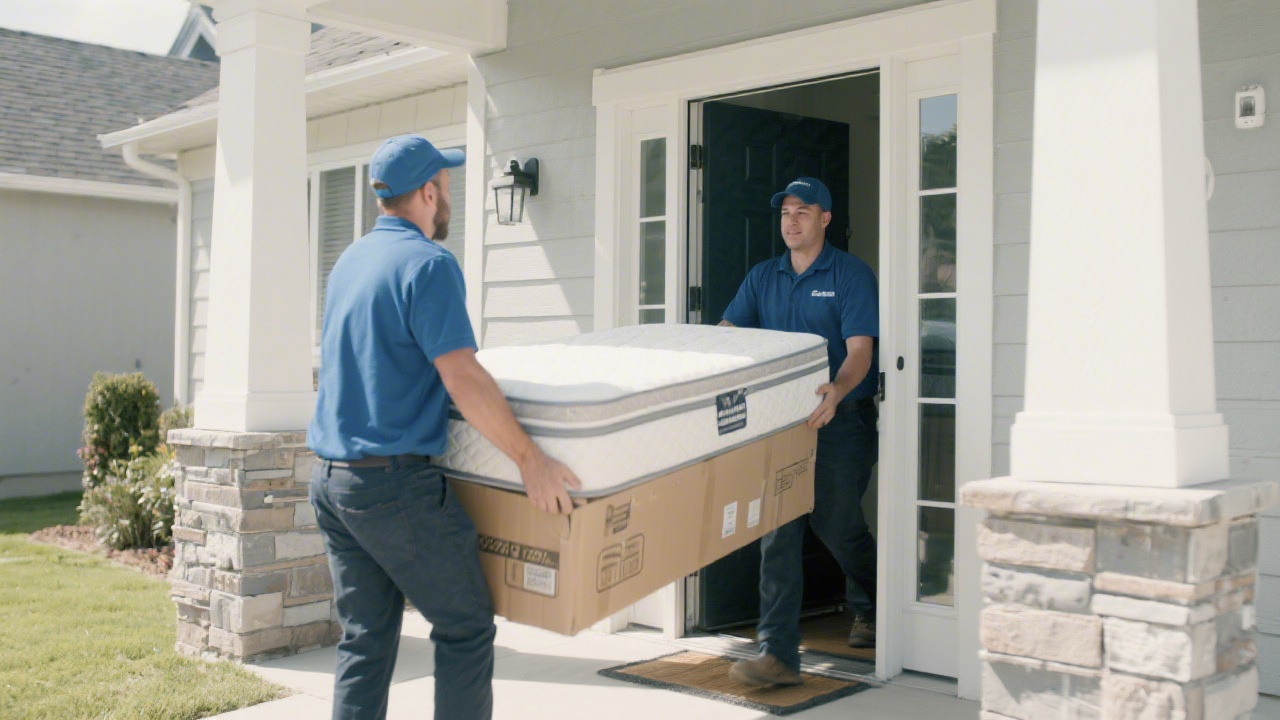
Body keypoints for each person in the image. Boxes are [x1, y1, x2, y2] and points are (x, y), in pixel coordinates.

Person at [306, 134, 581, 720]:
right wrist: (530, 459)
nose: (451, 194)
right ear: (428, 192)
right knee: (465, 625)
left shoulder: (350, 261)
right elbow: (463, 377)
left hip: (332, 481)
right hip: (390, 485)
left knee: (365, 638)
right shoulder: (428, 265)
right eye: (447, 183)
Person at [721, 177, 879, 688]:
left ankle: (875, 604)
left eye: (802, 212)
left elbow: (860, 352)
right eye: (786, 213)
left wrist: (837, 389)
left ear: (825, 218)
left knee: (836, 523)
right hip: (782, 424)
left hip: (842, 419)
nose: (791, 221)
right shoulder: (763, 276)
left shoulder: (850, 274)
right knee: (778, 530)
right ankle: (778, 654)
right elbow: (728, 335)